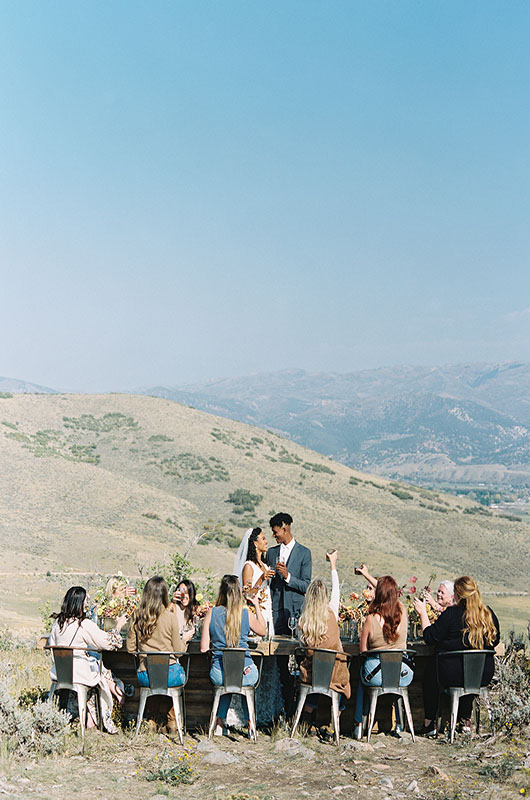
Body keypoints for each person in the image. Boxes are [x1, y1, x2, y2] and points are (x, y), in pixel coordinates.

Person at [413, 575, 500, 737]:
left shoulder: (451, 614)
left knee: (432, 669)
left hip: (452, 676)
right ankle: (465, 720)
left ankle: (430, 722)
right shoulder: (488, 614)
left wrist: (423, 614)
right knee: (469, 669)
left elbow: (431, 637)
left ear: (457, 595)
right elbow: (496, 641)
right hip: (482, 675)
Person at [48, 586, 127, 734]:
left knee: (95, 663)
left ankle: (89, 719)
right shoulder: (83, 624)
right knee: (99, 670)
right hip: (79, 675)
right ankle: (112, 698)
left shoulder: (57, 623)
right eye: (85, 602)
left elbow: (52, 649)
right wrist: (118, 625)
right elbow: (107, 642)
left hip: (59, 674)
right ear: (80, 604)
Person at [201, 574, 266, 736]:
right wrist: (257, 606)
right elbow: (263, 631)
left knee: (228, 679)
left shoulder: (211, 613)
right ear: (238, 593)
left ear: (221, 592)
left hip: (219, 674)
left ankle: (219, 722)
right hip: (246, 674)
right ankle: (251, 724)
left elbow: (203, 648)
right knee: (243, 681)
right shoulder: (245, 614)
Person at [298, 550, 350, 736]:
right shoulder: (332, 613)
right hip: (335, 673)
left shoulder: (304, 621)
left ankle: (305, 723)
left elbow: (301, 644)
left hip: (312, 674)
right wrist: (333, 565)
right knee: (340, 681)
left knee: (311, 677)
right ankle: (334, 722)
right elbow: (337, 590)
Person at [354, 575, 413, 739]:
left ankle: (359, 724)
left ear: (378, 594)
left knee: (361, 678)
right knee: (392, 676)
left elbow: (363, 651)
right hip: (402, 674)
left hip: (375, 675)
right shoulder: (403, 613)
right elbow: (395, 598)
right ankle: (400, 723)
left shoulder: (371, 619)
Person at [265, 512, 312, 716]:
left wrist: (288, 576)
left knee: (301, 661)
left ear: (285, 528)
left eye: (276, 532)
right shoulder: (271, 553)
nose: (274, 536)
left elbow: (306, 585)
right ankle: (282, 707)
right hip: (276, 616)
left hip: (296, 614)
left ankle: (298, 709)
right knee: (279, 663)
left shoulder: (304, 553)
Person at [127, 576, 186, 734]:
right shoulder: (170, 616)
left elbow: (130, 648)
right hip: (170, 673)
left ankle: (151, 719)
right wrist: (185, 640)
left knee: (154, 681)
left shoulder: (136, 615)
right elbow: (179, 651)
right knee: (173, 679)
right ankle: (172, 720)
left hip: (146, 674)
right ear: (165, 594)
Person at [234, 527, 275, 634]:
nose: (266, 542)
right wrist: (261, 579)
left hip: (267, 609)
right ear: (255, 543)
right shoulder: (248, 566)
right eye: (263, 539)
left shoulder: (265, 565)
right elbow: (247, 594)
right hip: (256, 611)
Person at [169, 579, 199, 644]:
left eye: (187, 593)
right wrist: (172, 601)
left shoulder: (197, 609)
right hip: (178, 644)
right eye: (182, 593)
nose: (184, 596)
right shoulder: (174, 607)